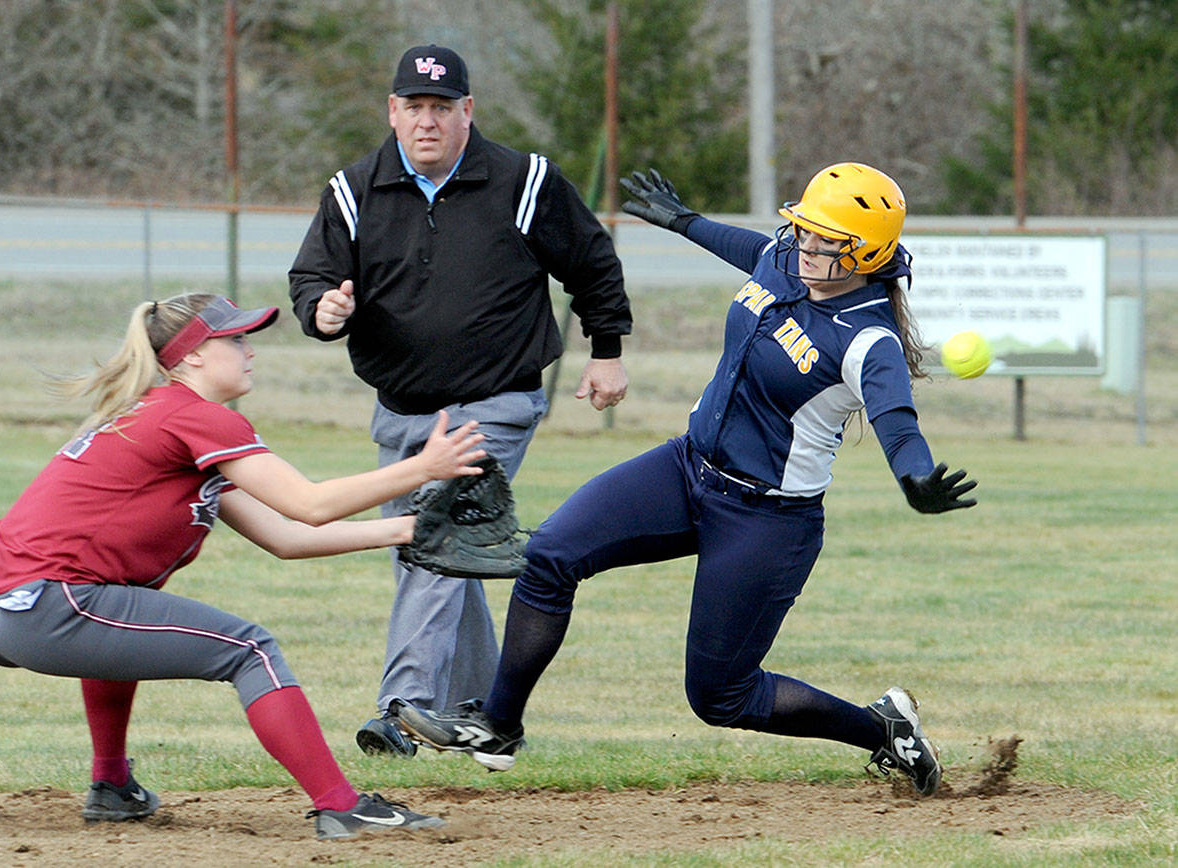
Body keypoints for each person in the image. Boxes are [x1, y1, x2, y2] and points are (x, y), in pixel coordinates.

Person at [397, 163, 978, 797]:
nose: (806, 246)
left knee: (720, 695)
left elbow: (898, 422)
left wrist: (915, 476)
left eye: (825, 240)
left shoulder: (868, 339)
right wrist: (685, 222)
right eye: (805, 230)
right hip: (685, 467)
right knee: (549, 556)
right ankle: (497, 726)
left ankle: (883, 732)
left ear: (866, 251)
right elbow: (754, 247)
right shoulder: (790, 258)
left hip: (768, 519)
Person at [0, 292, 489, 840]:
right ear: (192, 357)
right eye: (234, 339)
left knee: (123, 609)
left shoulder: (154, 412)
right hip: (46, 605)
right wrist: (426, 468)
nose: (248, 350)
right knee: (251, 649)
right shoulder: (196, 417)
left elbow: (284, 536)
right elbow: (309, 504)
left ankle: (113, 786)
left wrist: (407, 530)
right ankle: (342, 805)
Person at [288, 44, 633, 758]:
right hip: (401, 409)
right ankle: (487, 718)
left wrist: (606, 349)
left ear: (467, 112)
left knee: (434, 538)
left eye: (442, 107)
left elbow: (591, 262)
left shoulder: (524, 181)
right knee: (446, 557)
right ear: (392, 112)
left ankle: (403, 706)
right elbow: (312, 276)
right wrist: (324, 308)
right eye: (413, 106)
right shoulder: (354, 192)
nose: (427, 121)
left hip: (496, 402)